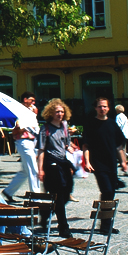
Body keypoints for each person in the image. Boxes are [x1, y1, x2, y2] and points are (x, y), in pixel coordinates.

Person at [81, 98, 127, 234]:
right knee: (106, 190)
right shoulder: (91, 124)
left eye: (105, 107)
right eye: (100, 107)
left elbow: (119, 146)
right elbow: (85, 145)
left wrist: (123, 161)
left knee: (111, 193)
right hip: (98, 164)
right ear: (95, 108)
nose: (102, 109)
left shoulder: (112, 124)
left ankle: (106, 225)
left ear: (108, 108)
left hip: (111, 163)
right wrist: (87, 162)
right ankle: (104, 225)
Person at [36, 99, 76, 238]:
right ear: (51, 113)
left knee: (68, 191)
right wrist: (40, 169)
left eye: (62, 111)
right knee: (59, 194)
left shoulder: (64, 126)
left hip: (63, 161)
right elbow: (40, 150)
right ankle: (63, 227)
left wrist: (71, 148)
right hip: (51, 162)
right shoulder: (45, 129)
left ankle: (47, 212)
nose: (60, 114)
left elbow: (66, 144)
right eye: (57, 111)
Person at [0, 92, 40, 204]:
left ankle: (8, 191)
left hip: (32, 141)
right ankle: (36, 197)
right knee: (33, 169)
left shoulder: (31, 112)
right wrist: (26, 127)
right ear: (25, 99)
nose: (33, 103)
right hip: (23, 140)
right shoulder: (18, 110)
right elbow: (16, 129)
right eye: (31, 100)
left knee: (25, 171)